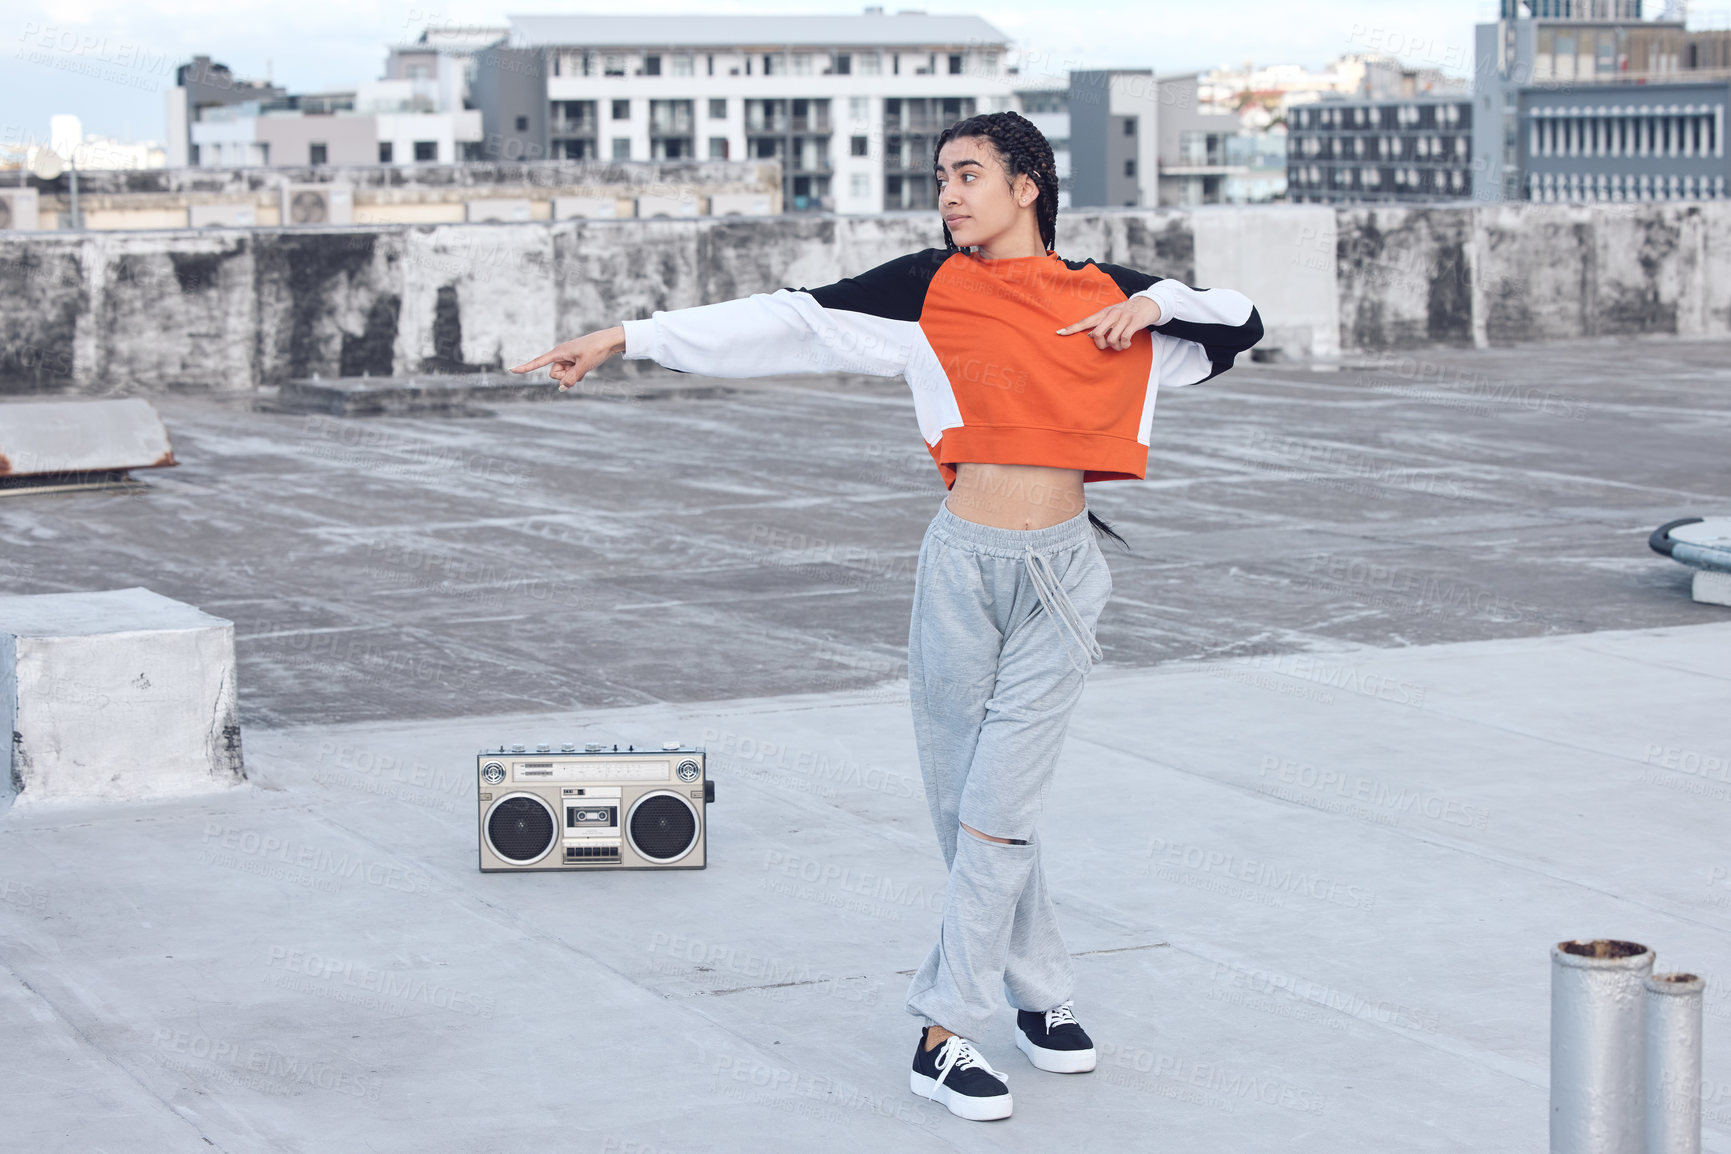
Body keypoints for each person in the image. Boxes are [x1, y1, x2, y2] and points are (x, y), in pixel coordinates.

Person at [512, 111, 1262, 1123]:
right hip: (961, 568)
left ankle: (942, 1030)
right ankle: (1040, 994)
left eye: (968, 175)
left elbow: (1240, 321)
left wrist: (1158, 301)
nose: (949, 194)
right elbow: (787, 318)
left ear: (1028, 184)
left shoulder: (1111, 300)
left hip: (1065, 573)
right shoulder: (927, 289)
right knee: (974, 805)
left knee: (999, 804)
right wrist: (627, 337)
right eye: (940, 178)